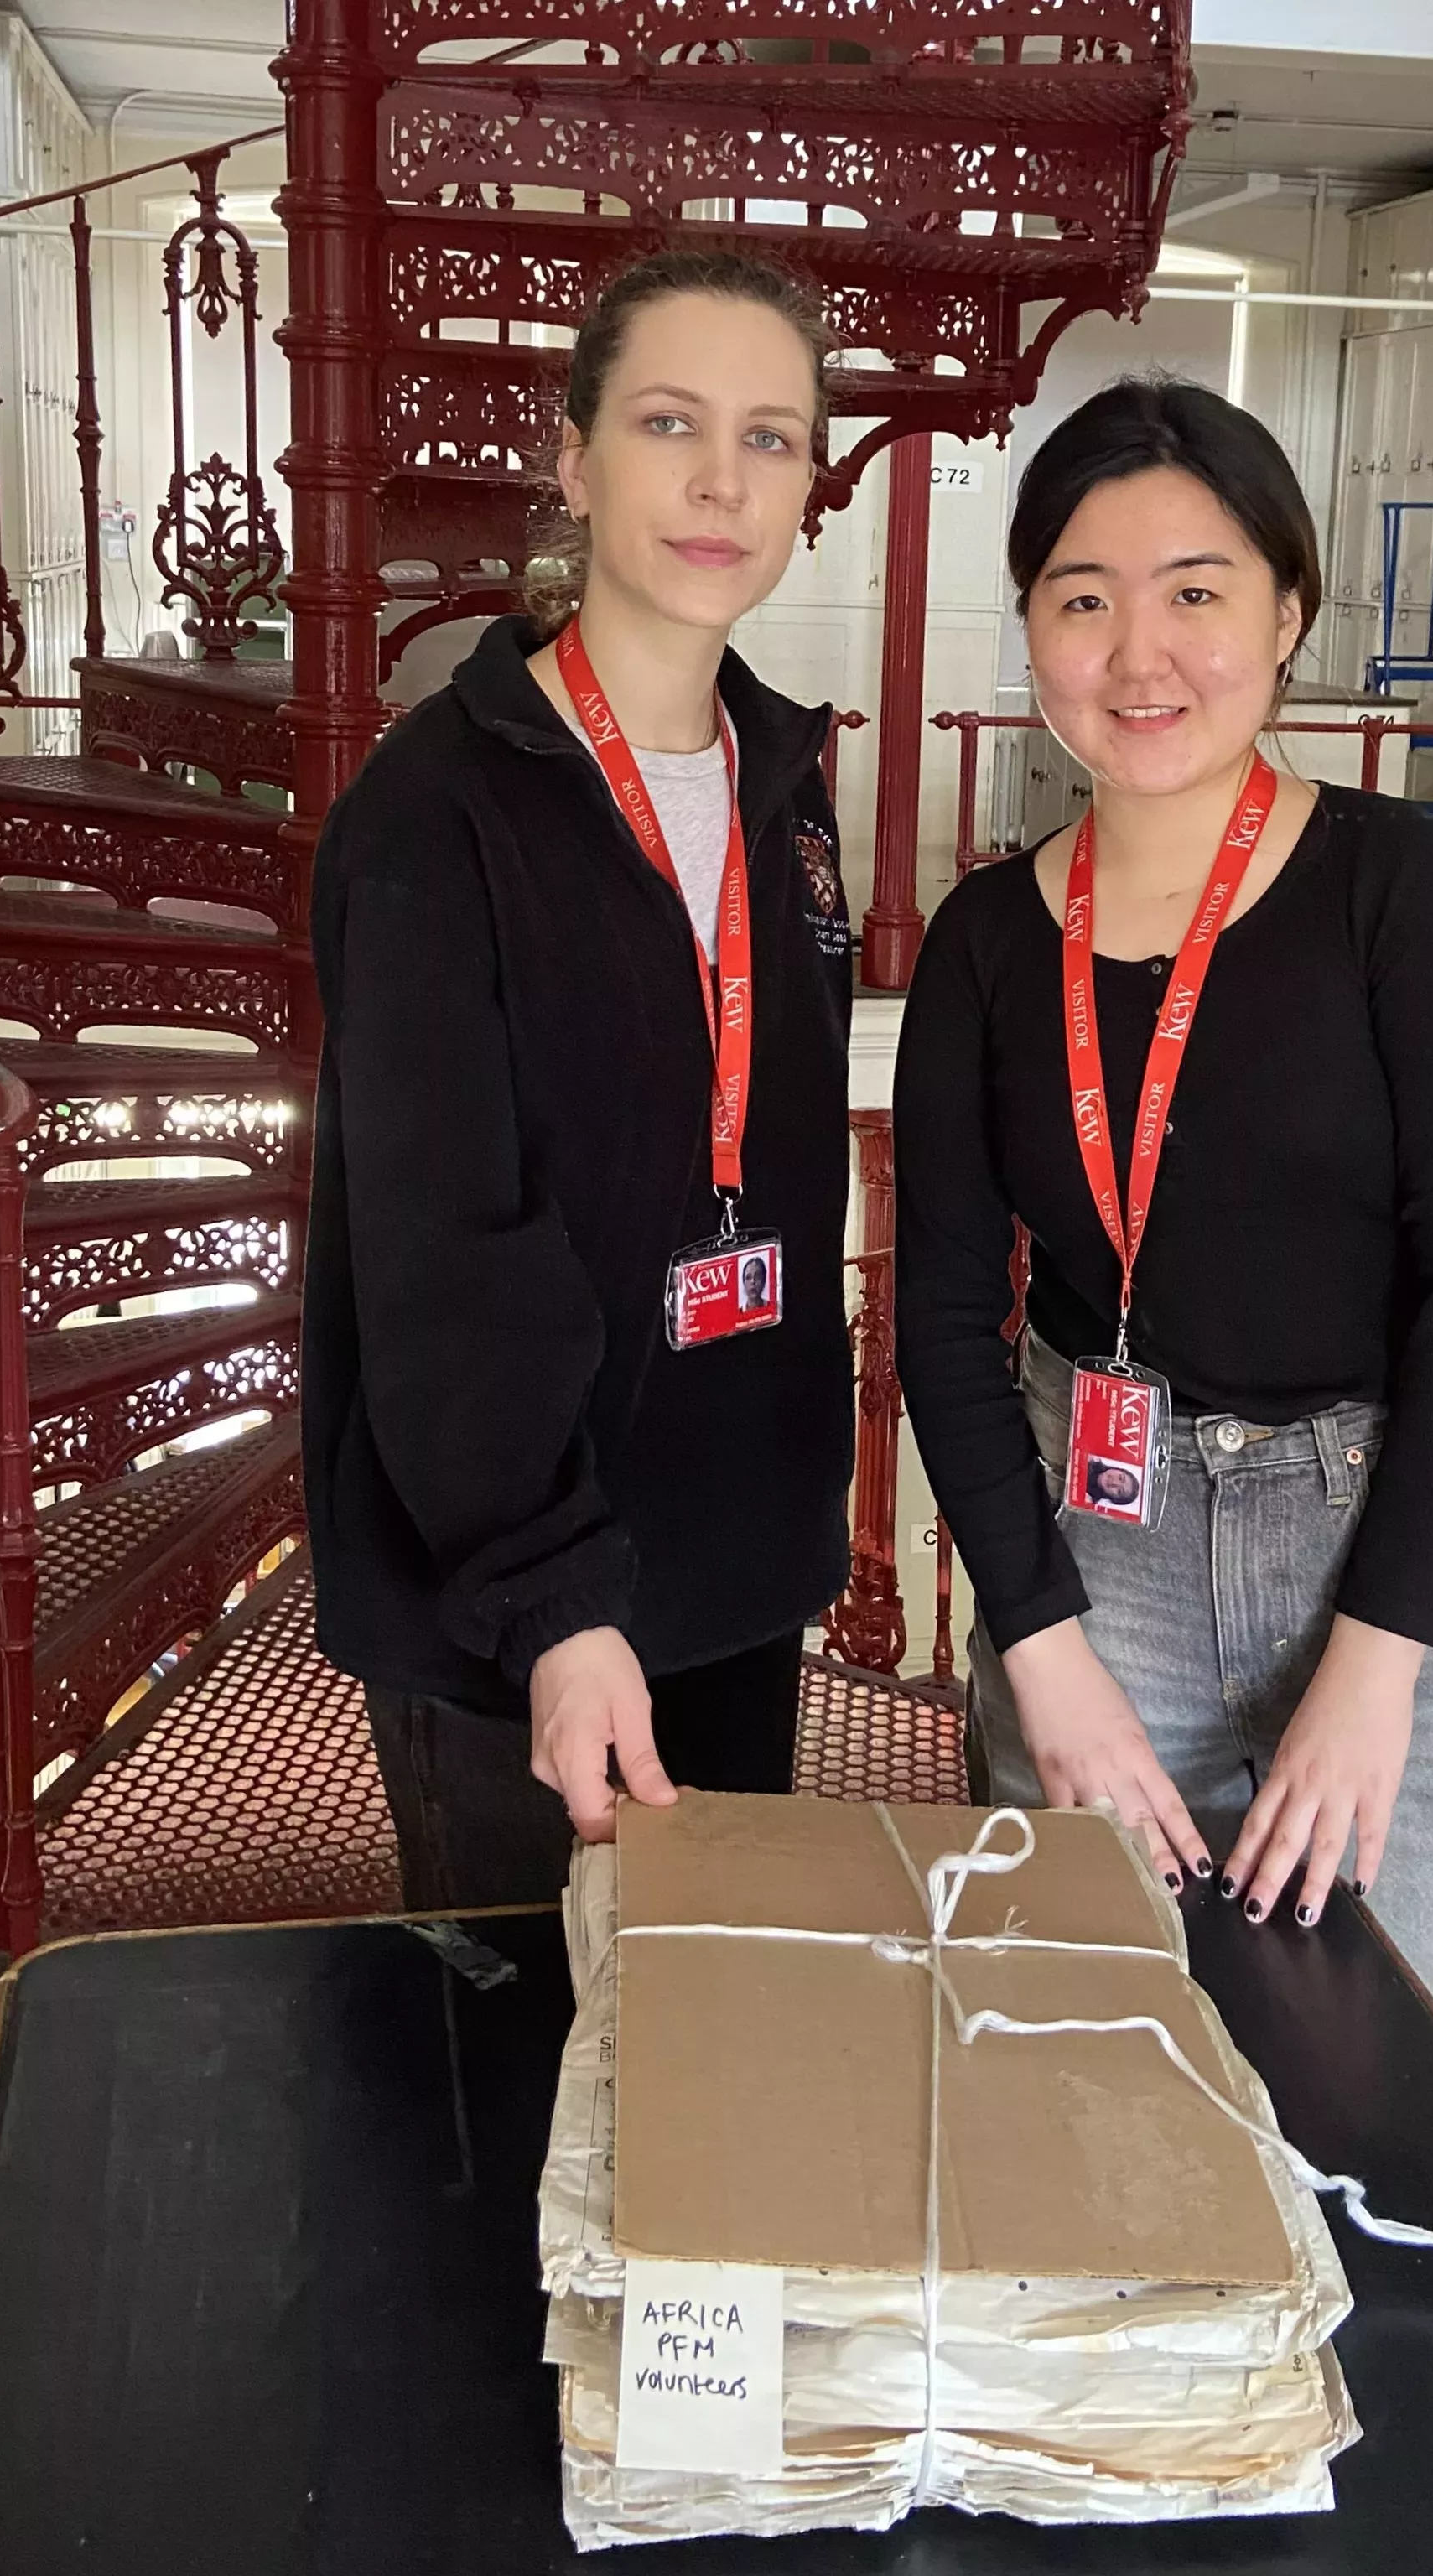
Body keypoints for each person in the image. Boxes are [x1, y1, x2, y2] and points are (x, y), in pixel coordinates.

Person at [892, 376, 1433, 2190]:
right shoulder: (987, 945)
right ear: (1035, 628)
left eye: (1198, 589)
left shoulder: (1401, 898)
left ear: (1287, 615)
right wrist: (1038, 1650)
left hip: (1407, 1565)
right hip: (1097, 1562)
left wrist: (1379, 1662)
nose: (1142, 648)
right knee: (1107, 2129)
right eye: (1083, 594)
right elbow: (945, 1326)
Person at [303, 250, 854, 1908]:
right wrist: (552, 1597)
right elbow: (441, 1250)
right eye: (669, 421)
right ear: (573, 456)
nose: (717, 479)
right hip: (512, 1597)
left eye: (770, 437)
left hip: (738, 1560)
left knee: (716, 2043)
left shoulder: (786, 787)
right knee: (517, 2085)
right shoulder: (434, 820)